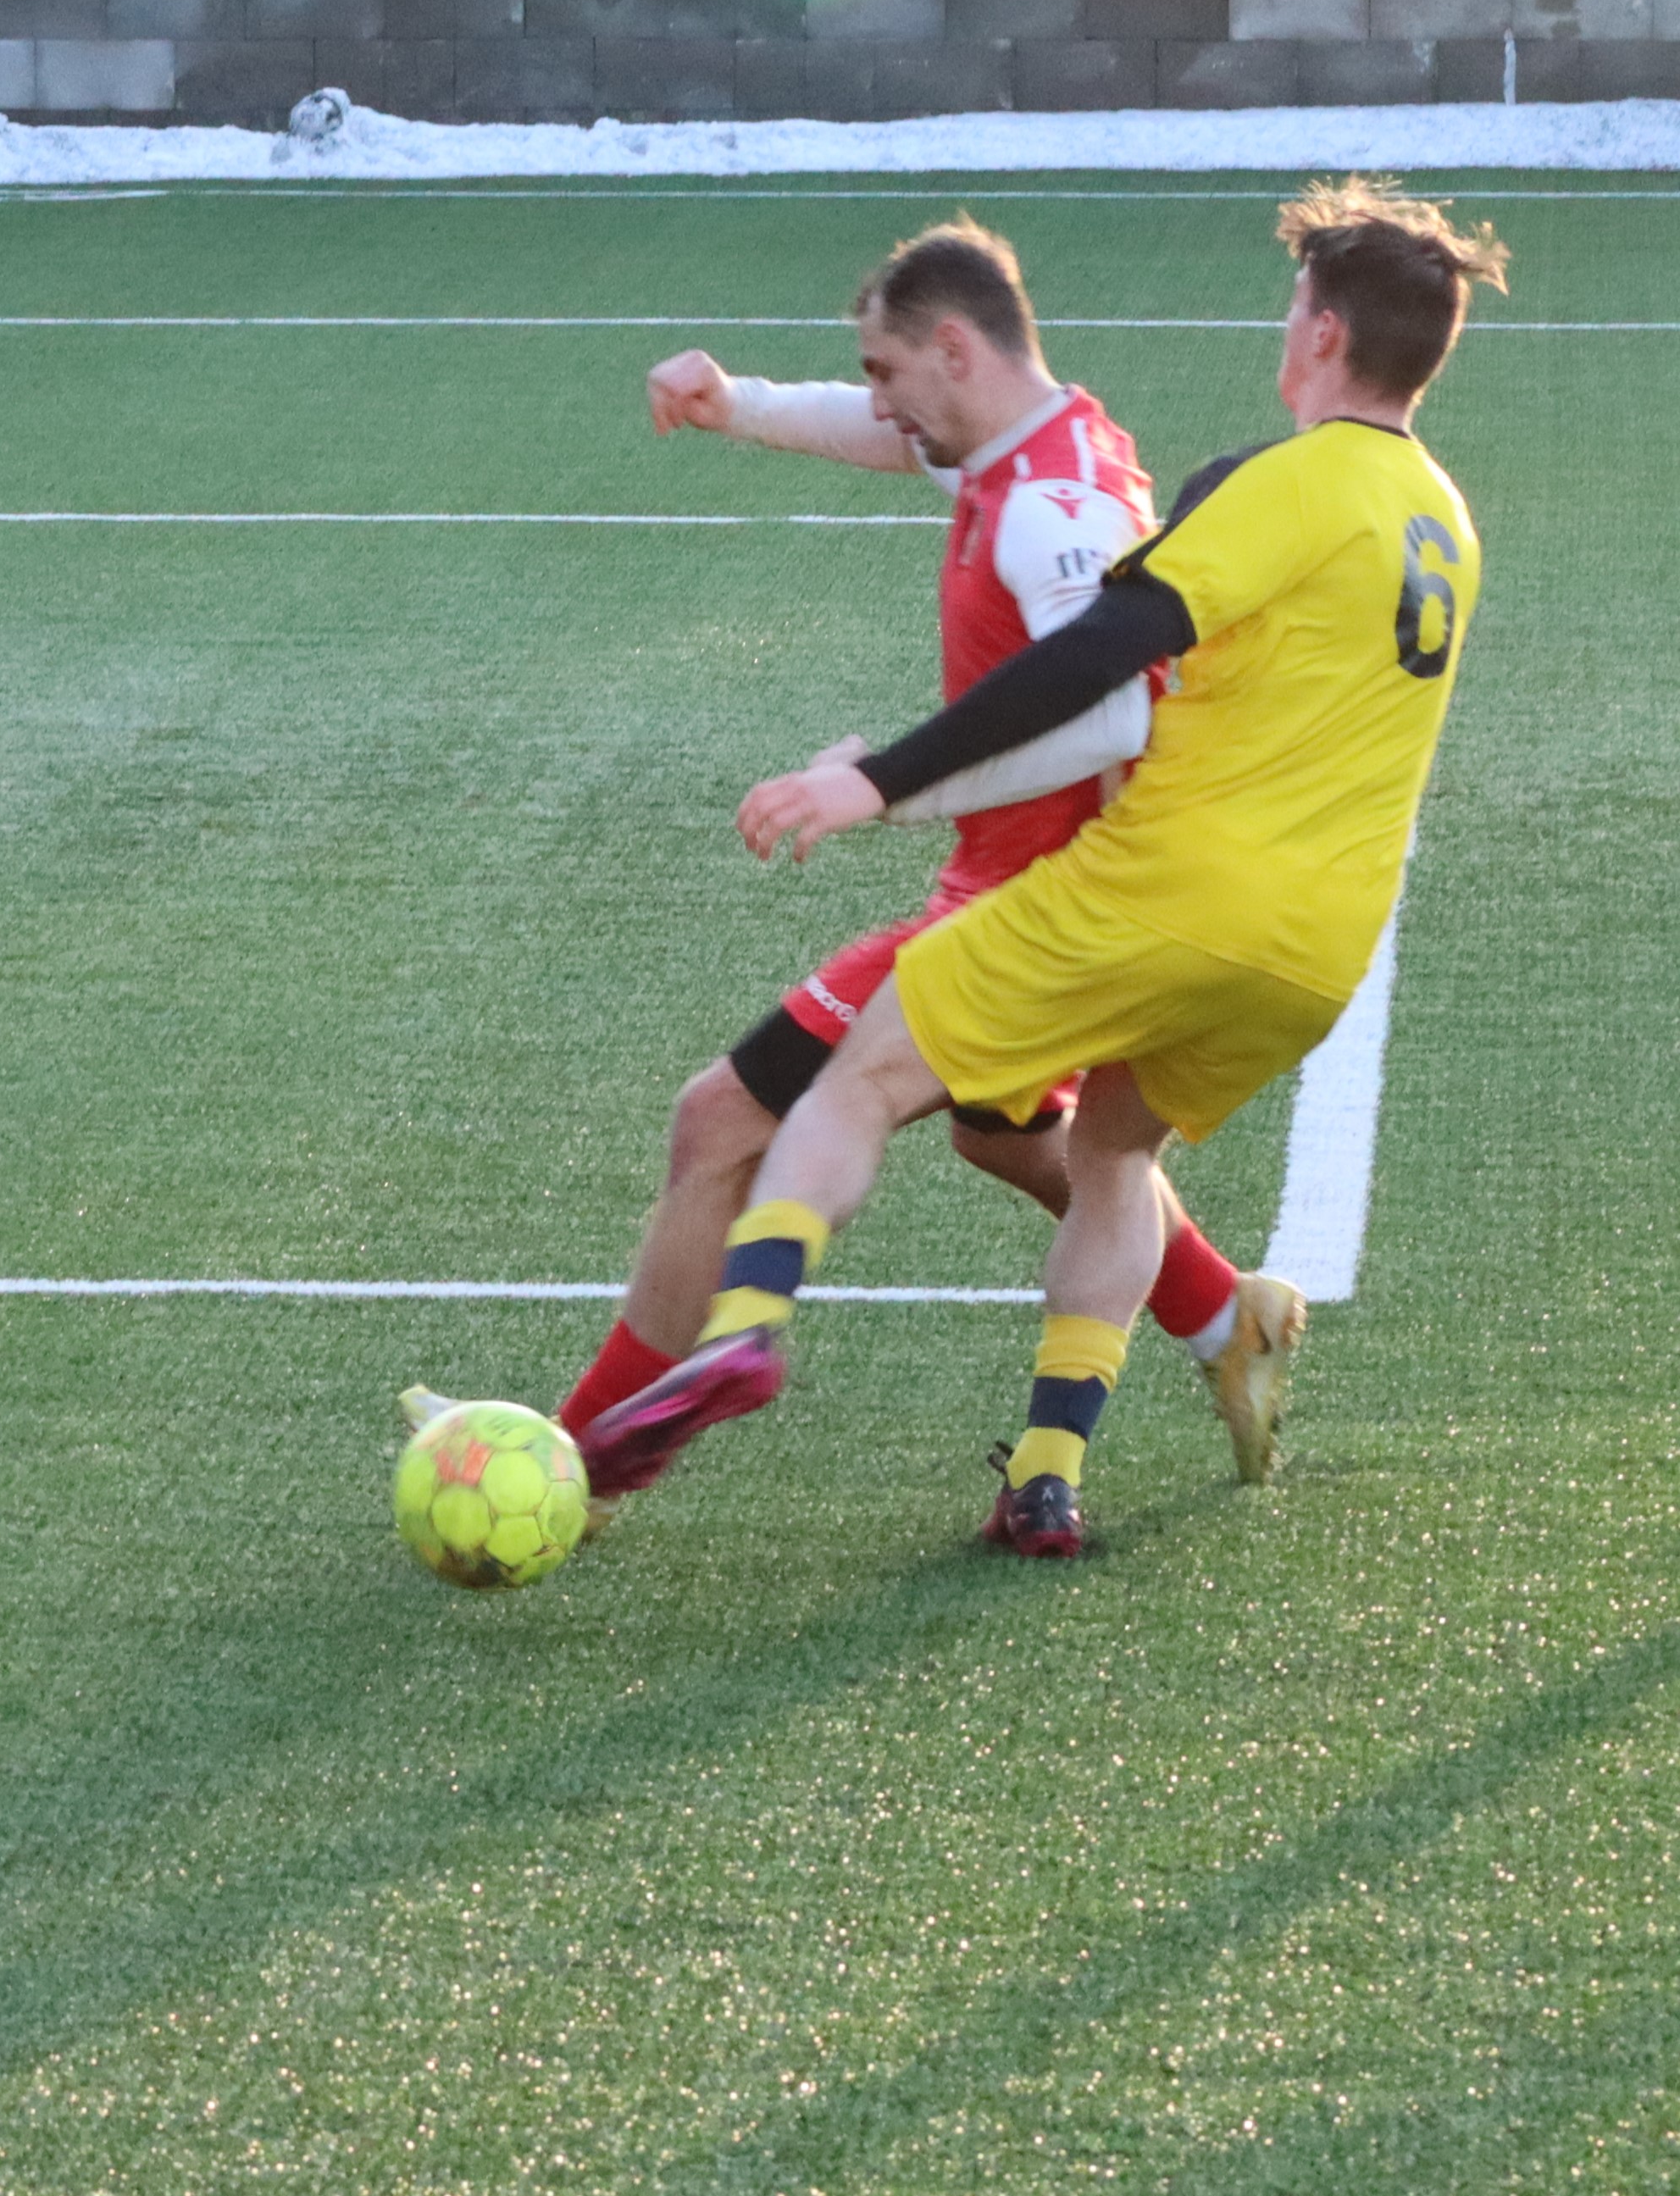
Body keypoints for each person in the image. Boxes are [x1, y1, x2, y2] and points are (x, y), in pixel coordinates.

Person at [583, 180, 1505, 1555]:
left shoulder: (1255, 481)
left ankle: (724, 1346)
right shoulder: (1443, 515)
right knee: (1093, 1150)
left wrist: (878, 783)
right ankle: (1085, 1442)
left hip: (1137, 891)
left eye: (1293, 307)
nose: (1283, 328)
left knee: (817, 1093)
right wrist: (744, 403)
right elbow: (940, 456)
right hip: (1316, 952)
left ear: (1321, 330)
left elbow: (1104, 673)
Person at [544, 221, 1299, 1493]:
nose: (881, 401)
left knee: (719, 1119)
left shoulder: (1052, 509)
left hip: (1034, 908)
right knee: (1011, 1137)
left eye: (887, 369)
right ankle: (1231, 1320)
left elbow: (1112, 716)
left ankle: (578, 1464)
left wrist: (881, 787)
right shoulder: (1028, 448)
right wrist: (737, 403)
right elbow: (883, 432)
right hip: (1024, 886)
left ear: (956, 349)